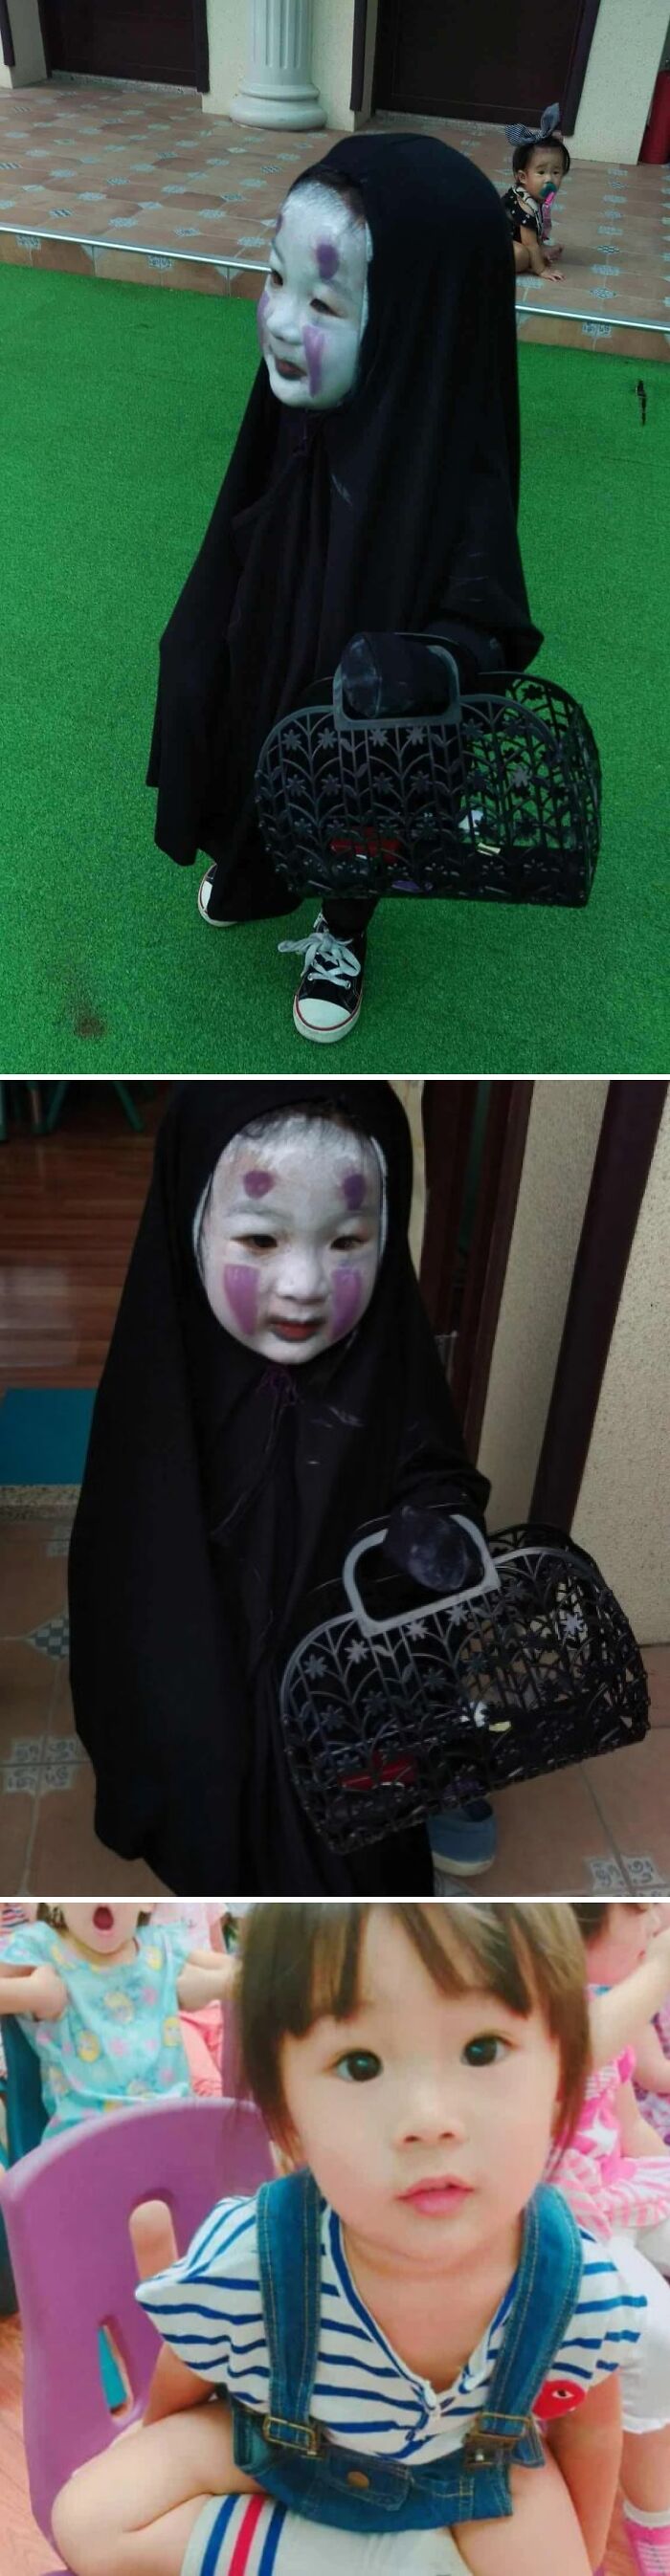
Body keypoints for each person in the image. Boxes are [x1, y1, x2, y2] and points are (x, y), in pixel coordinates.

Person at [53, 1900, 641, 2576]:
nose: (428, 2120)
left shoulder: (578, 2285)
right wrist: (163, 2465)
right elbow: (180, 2381)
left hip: (468, 2470)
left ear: (562, 2084)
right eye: (360, 2063)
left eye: (482, 2049)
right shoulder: (252, 2258)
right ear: (288, 2117)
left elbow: (591, 2426)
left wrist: (589, 2558)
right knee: (91, 2516)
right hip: (276, 2450)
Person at [147, 134, 541, 1042]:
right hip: (279, 635)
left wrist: (433, 662)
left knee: (363, 787)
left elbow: (491, 622)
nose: (283, 322)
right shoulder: (294, 413)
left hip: (366, 705)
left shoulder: (448, 467)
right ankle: (256, 868)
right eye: (275, 278)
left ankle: (343, 926)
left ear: (419, 324)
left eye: (323, 300)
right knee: (235, 715)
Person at [68, 1083, 491, 1899]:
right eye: (260, 1238)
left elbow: (435, 1464)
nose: (301, 1283)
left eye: (347, 1241)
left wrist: (436, 1532)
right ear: (191, 1222)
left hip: (346, 1688)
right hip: (210, 1680)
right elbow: (122, 1570)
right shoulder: (164, 1381)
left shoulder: (387, 1359)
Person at [556, 1904, 670, 2576]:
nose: (655, 1917)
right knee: (652, 2334)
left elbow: (630, 2126)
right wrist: (657, 1970)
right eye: (640, 1910)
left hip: (612, 2187)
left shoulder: (610, 2008)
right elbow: (576, 2050)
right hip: (554, 2219)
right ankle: (652, 2534)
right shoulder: (524, 2005)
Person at [0, 1902, 236, 2135]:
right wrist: (32, 1992)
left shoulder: (162, 1945)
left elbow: (246, 1972)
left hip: (174, 2126)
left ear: (146, 1903)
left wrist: (208, 1985)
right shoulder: (41, 1945)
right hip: (86, 2137)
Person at [502, 106, 570, 283]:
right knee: (522, 255)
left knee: (528, 248)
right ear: (522, 177)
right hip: (490, 242)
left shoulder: (538, 196)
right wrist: (541, 269)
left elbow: (537, 229)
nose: (549, 179)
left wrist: (541, 247)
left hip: (508, 238)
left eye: (556, 172)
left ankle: (538, 254)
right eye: (541, 173)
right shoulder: (525, 205)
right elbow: (529, 242)